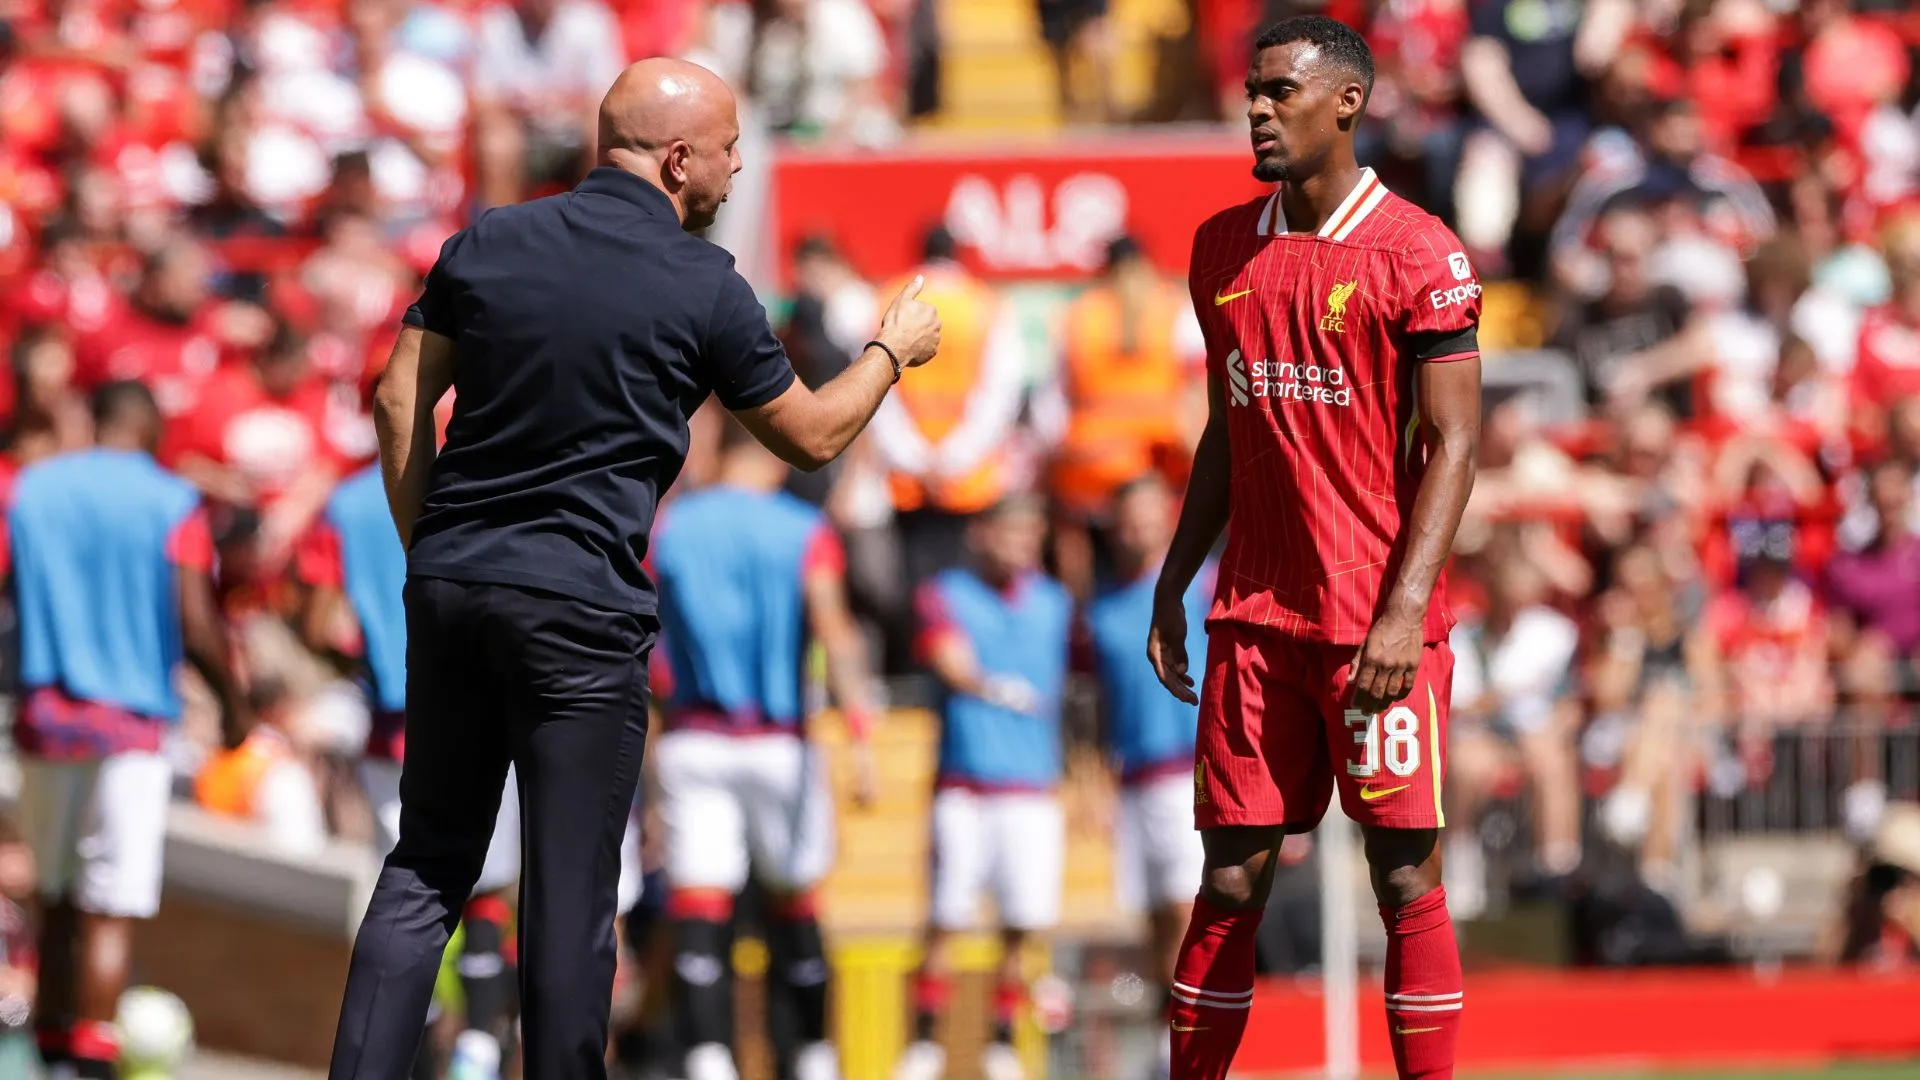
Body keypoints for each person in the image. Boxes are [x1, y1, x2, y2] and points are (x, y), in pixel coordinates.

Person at [327, 56, 940, 1080]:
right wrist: (888, 350)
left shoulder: (491, 239)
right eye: (731, 147)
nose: (739, 167)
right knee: (568, 901)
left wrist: (430, 543)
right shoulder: (703, 283)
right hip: (578, 611)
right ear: (679, 158)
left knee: (429, 866)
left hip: (453, 588)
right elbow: (813, 437)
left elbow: (399, 401)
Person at [1147, 17, 1483, 1080]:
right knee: (1231, 879)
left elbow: (1459, 442)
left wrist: (1401, 609)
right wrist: (1173, 580)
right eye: (1251, 91)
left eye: (1279, 91)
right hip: (1254, 617)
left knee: (1402, 880)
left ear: (1346, 102)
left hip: (1374, 624)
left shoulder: (1419, 252)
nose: (1256, 108)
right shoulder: (1219, 248)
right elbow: (1225, 425)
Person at [9, 381, 247, 1080]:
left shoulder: (34, 489)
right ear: (152, 432)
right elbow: (197, 620)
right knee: (110, 906)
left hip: (46, 718)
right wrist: (234, 707)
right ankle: (90, 1066)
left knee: (54, 897)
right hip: (131, 729)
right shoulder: (172, 502)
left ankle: (48, 1062)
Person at [650, 416, 881, 1080]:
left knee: (699, 901)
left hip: (694, 737)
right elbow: (835, 631)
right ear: (779, 457)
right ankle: (811, 1053)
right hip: (780, 743)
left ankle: (708, 1057)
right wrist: (860, 738)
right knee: (796, 899)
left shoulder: (672, 527)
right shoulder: (802, 531)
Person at [895, 493, 1071, 1080]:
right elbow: (947, 656)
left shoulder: (1055, 603)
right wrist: (991, 687)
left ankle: (1000, 1044)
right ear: (983, 534)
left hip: (1033, 789)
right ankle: (924, 1045)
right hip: (966, 787)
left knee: (1022, 924)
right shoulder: (945, 593)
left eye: (1032, 532)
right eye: (1012, 531)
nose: (1022, 543)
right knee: (946, 918)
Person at [1082, 475, 1210, 1076]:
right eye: (1127, 518)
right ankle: (1172, 1030)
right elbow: (1098, 705)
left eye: (1148, 515)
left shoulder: (1205, 582)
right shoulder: (1102, 608)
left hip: (1192, 767)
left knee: (1188, 909)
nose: (1138, 528)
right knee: (1156, 915)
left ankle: (1198, 1030)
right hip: (1135, 776)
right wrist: (1096, 778)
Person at [1038, 235, 1206, 599]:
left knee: (1087, 567)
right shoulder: (1173, 308)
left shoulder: (1081, 313)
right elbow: (1197, 390)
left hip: (1089, 467)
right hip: (1155, 465)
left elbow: (1052, 401)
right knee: (1157, 563)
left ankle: (1082, 630)